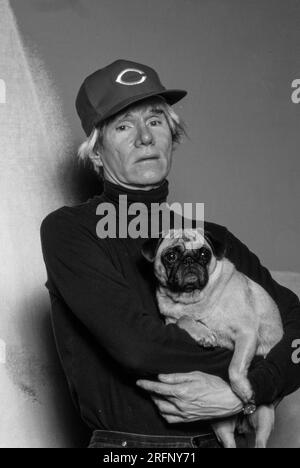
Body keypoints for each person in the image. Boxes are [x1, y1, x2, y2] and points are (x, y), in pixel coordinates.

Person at [40, 59, 300, 448]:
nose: (145, 138)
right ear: (96, 153)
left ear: (172, 136)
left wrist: (248, 390)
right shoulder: (70, 231)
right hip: (133, 450)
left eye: (156, 121)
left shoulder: (209, 238)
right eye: (124, 126)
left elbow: (295, 321)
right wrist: (244, 374)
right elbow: (140, 347)